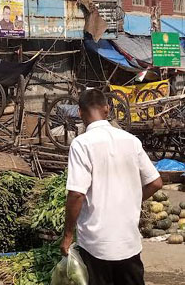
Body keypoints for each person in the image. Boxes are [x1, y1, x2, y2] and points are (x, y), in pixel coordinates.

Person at [61, 89, 163, 285]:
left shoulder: (81, 144)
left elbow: (76, 194)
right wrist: (133, 199)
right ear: (107, 109)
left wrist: (67, 236)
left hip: (95, 246)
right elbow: (156, 182)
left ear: (80, 113)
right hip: (129, 243)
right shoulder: (131, 141)